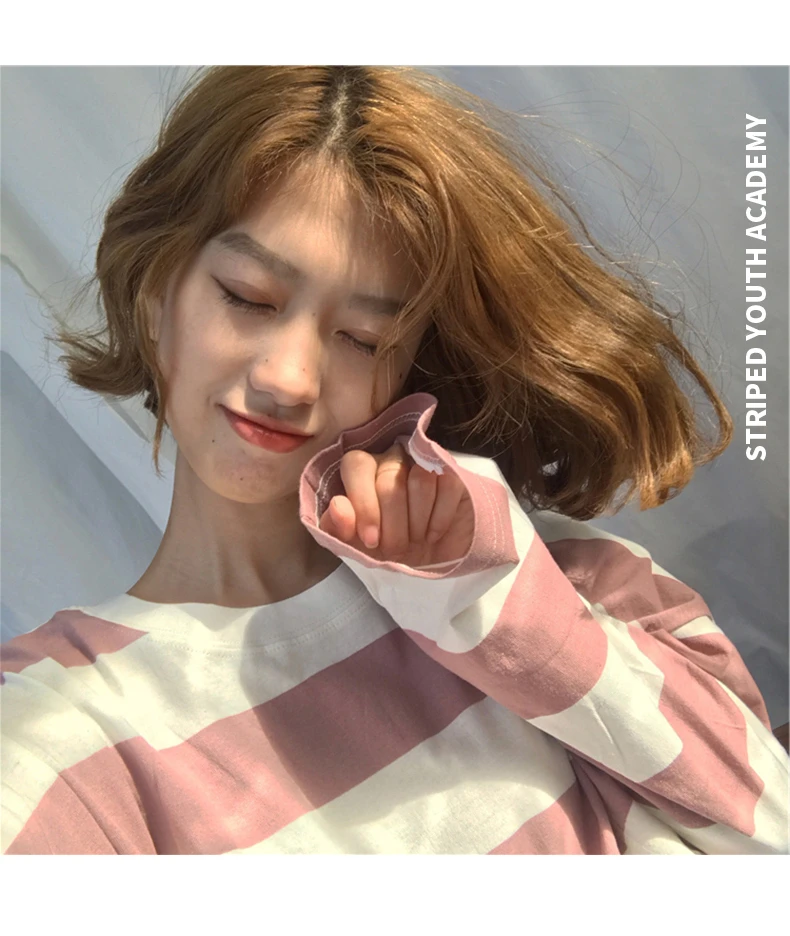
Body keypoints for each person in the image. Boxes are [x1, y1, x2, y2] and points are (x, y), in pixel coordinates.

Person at [2, 66, 787, 855]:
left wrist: (487, 603)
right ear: (154, 295)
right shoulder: (60, 731)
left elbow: (768, 833)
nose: (289, 378)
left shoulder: (573, 580)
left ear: (408, 368)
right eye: (247, 296)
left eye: (363, 339)